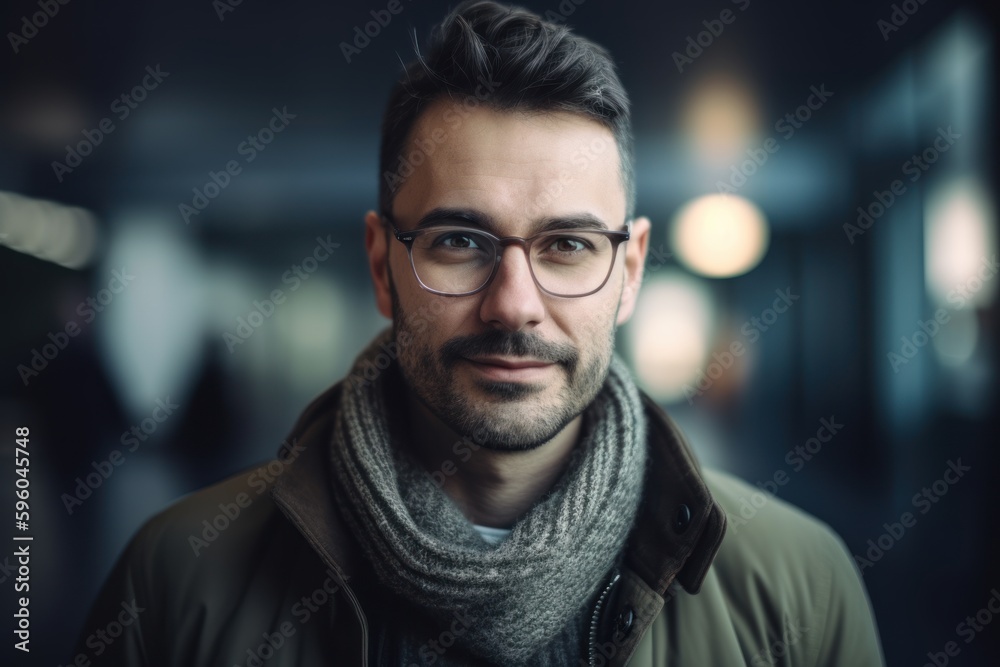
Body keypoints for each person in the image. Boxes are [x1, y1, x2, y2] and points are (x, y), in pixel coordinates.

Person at [74, 2, 885, 665]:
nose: (513, 305)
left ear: (630, 271)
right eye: (461, 241)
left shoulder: (799, 594)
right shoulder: (176, 583)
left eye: (567, 246)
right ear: (383, 264)